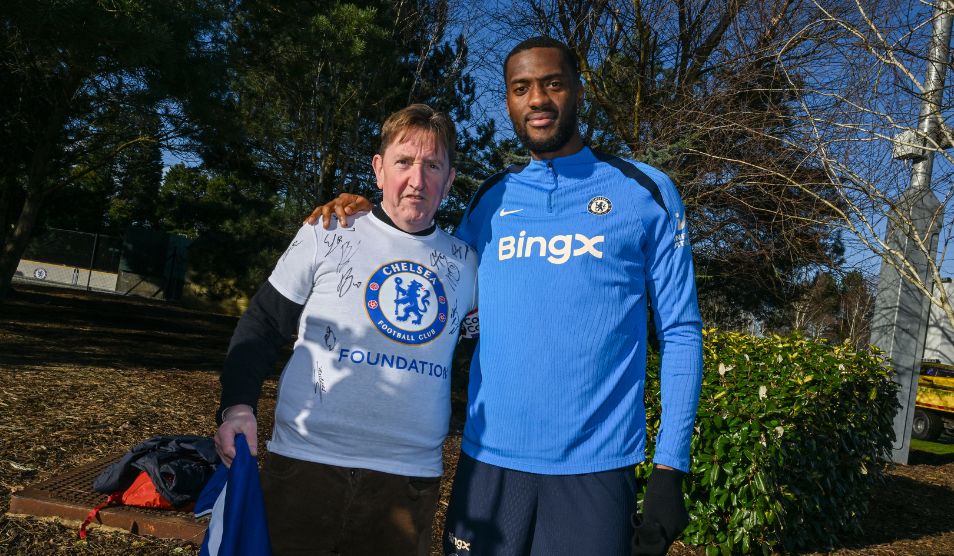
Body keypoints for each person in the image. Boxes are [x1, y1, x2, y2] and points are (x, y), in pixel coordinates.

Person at [311, 37, 703, 556]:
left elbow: (680, 331)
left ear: (578, 92)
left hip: (595, 473)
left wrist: (670, 466)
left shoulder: (646, 192)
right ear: (510, 102)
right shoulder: (491, 199)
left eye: (552, 83)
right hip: (487, 466)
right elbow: (431, 273)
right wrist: (370, 217)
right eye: (521, 88)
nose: (537, 99)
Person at [215, 103, 478, 556]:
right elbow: (261, 324)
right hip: (303, 466)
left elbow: (494, 345)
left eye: (433, 165)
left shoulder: (467, 265)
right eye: (403, 162)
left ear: (450, 180)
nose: (417, 180)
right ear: (378, 169)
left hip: (407, 484)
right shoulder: (327, 230)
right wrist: (237, 406)